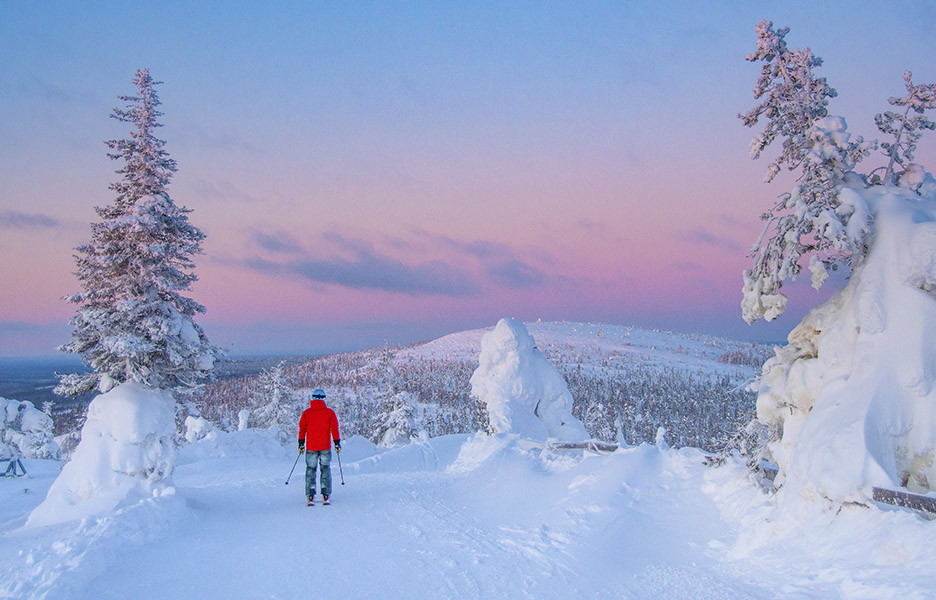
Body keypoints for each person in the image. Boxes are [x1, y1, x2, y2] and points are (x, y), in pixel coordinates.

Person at [298, 388, 340, 506]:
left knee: (310, 470)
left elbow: (302, 430)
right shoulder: (329, 413)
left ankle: (310, 495)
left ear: (313, 398)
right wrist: (337, 443)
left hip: (311, 446)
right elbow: (334, 429)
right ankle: (325, 494)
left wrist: (301, 444)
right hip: (325, 446)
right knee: (325, 469)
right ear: (323, 399)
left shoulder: (307, 413)